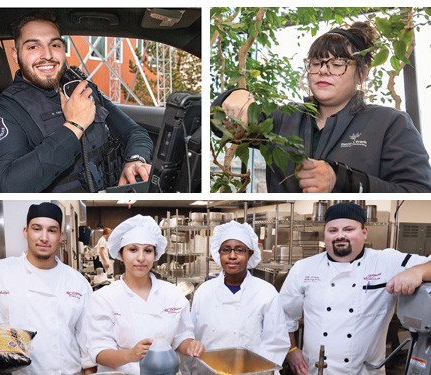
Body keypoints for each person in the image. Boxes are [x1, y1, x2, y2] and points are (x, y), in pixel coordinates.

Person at [214, 22, 431, 193]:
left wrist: (342, 179)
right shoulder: (283, 118)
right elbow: (221, 127)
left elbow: (419, 191)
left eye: (337, 64)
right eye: (316, 63)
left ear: (362, 73)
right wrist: (232, 97)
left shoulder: (389, 123)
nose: (324, 71)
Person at [0, 11, 153, 192]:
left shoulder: (81, 87)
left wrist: (135, 160)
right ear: (16, 55)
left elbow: (133, 131)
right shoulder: (5, 109)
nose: (47, 55)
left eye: (55, 45)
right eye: (33, 47)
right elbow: (9, 186)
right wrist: (74, 125)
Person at [280, 202, 431, 375]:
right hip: (314, 369)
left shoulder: (386, 262)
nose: (340, 236)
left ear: (364, 232)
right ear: (325, 234)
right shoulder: (304, 268)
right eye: (333, 230)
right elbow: (285, 316)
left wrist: (417, 272)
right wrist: (291, 350)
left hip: (364, 370)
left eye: (349, 229)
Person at [0, 202, 95, 374]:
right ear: (26, 232)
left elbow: (87, 344)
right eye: (37, 229)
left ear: (61, 236)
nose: (44, 238)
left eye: (52, 230)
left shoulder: (78, 283)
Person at [83, 215, 204, 374]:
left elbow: (181, 336)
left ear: (155, 255)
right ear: (121, 255)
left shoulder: (172, 294)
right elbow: (98, 352)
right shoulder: (104, 298)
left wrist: (190, 345)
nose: (141, 258)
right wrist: (130, 355)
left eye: (147, 250)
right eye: (133, 249)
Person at [182, 220, 290, 374]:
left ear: (250, 253)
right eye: (226, 250)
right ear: (218, 253)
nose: (232, 256)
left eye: (239, 250)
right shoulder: (204, 291)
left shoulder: (266, 293)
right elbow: (191, 338)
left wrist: (256, 370)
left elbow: (275, 343)